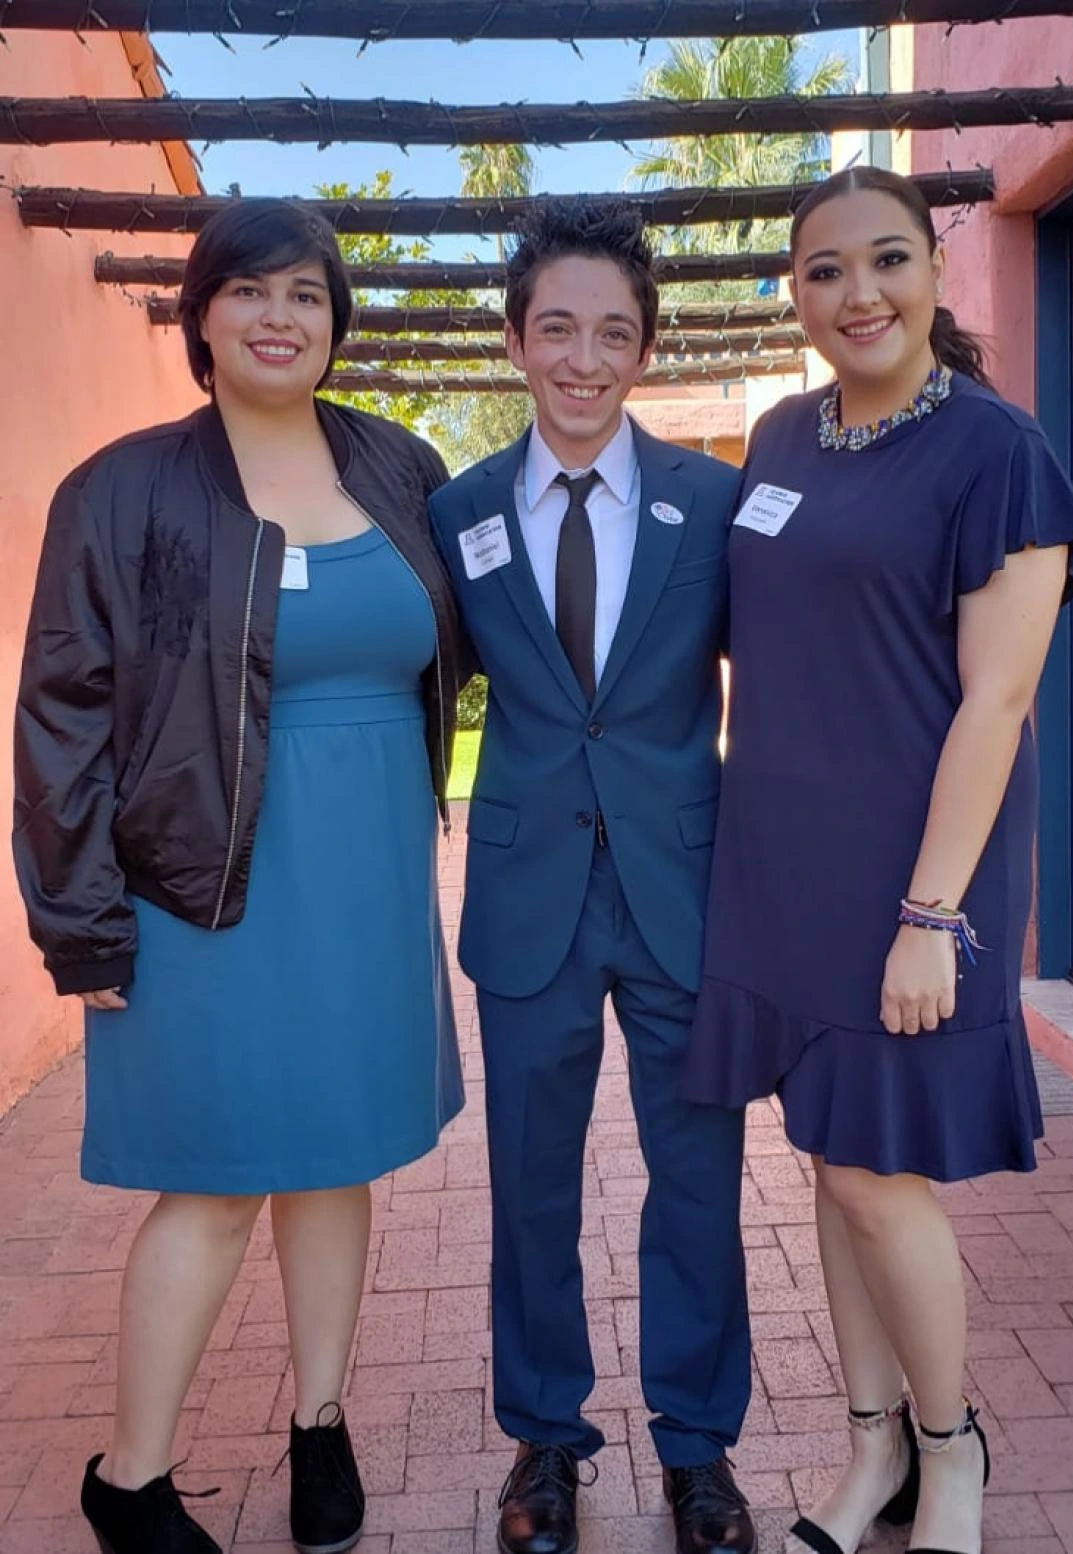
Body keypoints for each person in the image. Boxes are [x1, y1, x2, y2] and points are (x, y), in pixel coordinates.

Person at [12, 198, 464, 1554]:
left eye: (309, 296)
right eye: (251, 291)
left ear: (338, 321)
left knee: (338, 1166)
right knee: (210, 1182)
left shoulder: (404, 466)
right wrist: (81, 923)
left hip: (371, 885)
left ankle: (319, 1421)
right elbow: (60, 714)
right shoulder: (121, 487)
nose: (281, 317)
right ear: (202, 315)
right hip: (195, 893)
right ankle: (130, 1474)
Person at [682, 165, 1073, 1554]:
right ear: (792, 291)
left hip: (916, 875)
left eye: (887, 261)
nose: (858, 293)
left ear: (931, 269)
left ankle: (951, 1445)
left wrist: (932, 914)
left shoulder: (1000, 451)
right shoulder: (779, 437)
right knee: (826, 1154)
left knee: (876, 1173)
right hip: (780, 864)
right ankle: (868, 1457)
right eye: (823, 270)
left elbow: (998, 699)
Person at [428, 199, 755, 1554]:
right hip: (529, 897)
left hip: (683, 889)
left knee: (698, 1182)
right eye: (557, 326)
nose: (583, 356)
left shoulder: (713, 503)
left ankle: (697, 1449)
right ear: (516, 339)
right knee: (531, 1186)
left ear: (645, 347)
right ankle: (545, 1441)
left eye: (613, 331)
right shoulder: (454, 514)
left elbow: (783, 690)